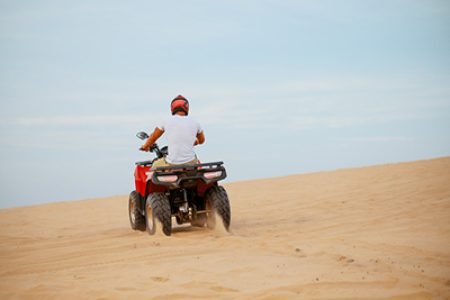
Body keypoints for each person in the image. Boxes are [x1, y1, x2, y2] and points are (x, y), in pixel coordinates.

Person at [140, 95, 205, 169]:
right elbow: (202, 140)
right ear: (187, 108)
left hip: (172, 163)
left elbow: (153, 137)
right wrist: (193, 141)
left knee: (154, 167)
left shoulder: (166, 121)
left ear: (172, 108)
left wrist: (145, 146)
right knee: (197, 163)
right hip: (191, 162)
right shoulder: (195, 122)